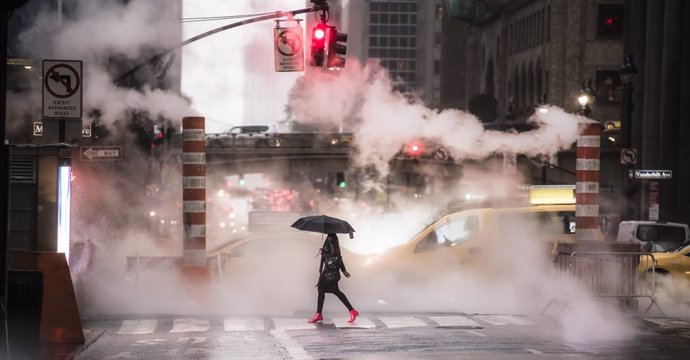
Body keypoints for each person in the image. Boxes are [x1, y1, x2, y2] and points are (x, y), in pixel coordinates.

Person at [307, 233, 359, 323]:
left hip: (329, 271)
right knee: (327, 290)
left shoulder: (331, 238)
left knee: (327, 290)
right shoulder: (331, 237)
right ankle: (351, 311)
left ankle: (319, 314)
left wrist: (322, 252)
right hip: (329, 270)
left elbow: (334, 254)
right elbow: (338, 255)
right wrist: (343, 270)